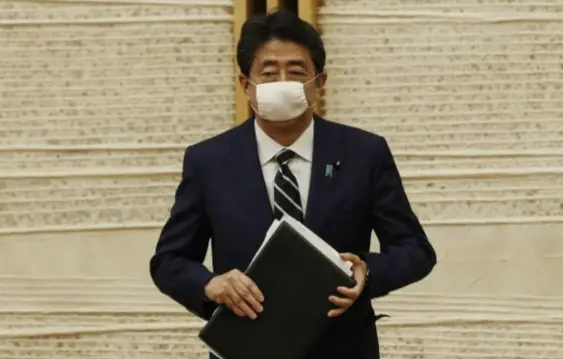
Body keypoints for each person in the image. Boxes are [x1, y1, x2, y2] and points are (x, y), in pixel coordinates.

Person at [150, 9, 436, 359]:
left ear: (320, 82)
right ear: (245, 84)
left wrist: (367, 271)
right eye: (269, 73)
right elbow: (169, 261)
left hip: (344, 347)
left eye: (296, 71)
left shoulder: (365, 153)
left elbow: (415, 250)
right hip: (246, 348)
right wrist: (211, 285)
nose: (282, 81)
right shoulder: (208, 161)